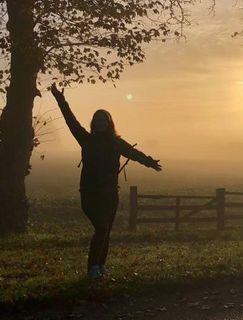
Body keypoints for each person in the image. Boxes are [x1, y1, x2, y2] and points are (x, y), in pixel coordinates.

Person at [50, 84, 162, 279]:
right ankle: (93, 268)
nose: (100, 122)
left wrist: (150, 162)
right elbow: (70, 120)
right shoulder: (86, 139)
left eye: (104, 120)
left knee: (106, 230)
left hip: (110, 193)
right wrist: (60, 99)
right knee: (102, 227)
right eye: (97, 120)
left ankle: (101, 267)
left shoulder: (116, 142)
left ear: (109, 123)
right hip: (90, 192)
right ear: (94, 123)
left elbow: (134, 154)